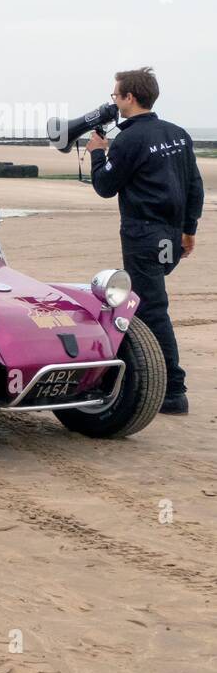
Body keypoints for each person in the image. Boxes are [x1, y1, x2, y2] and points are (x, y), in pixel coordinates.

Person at [87, 66, 203, 416]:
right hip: (170, 234)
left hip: (144, 233)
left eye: (115, 95)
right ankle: (146, 372)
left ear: (130, 97)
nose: (114, 101)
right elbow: (194, 185)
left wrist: (97, 152)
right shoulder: (178, 134)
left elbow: (105, 186)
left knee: (151, 309)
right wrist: (189, 230)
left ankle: (172, 389)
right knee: (152, 304)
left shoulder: (131, 139)